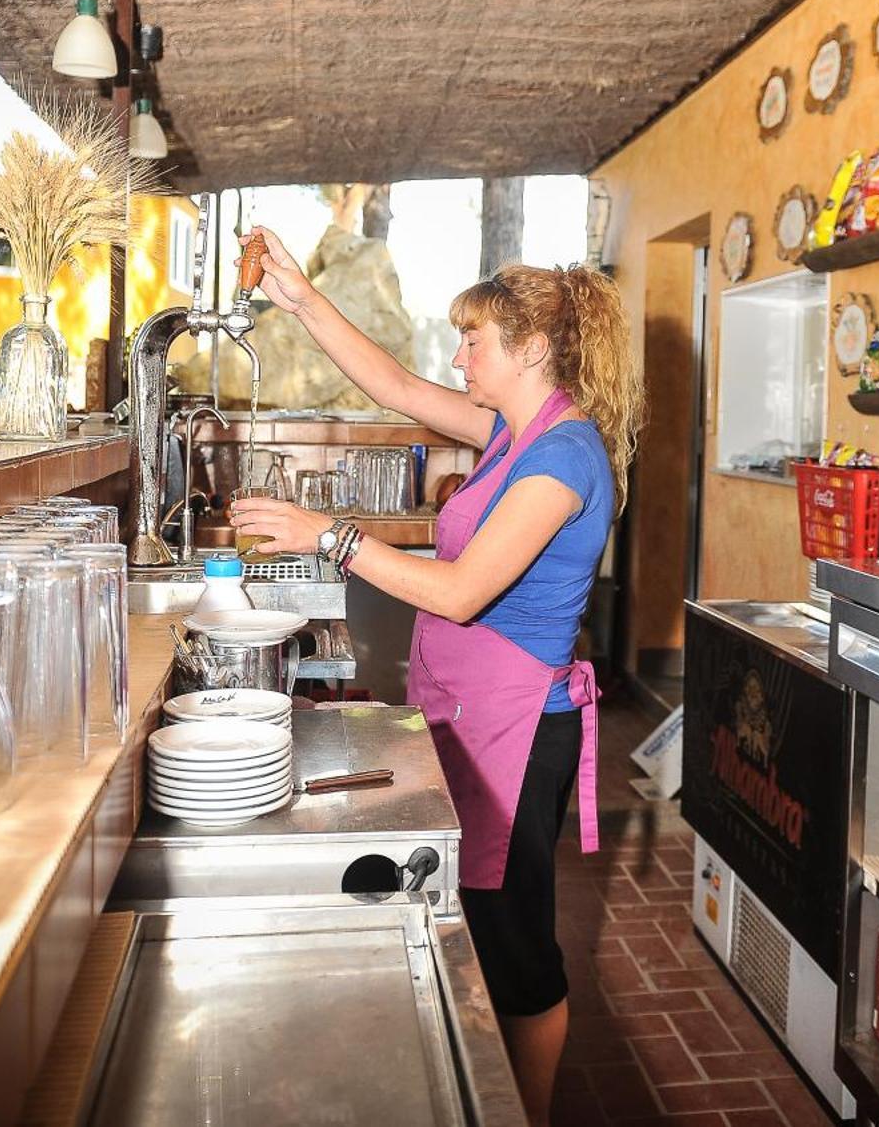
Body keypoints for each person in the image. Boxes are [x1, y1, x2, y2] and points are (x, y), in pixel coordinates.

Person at [230, 226, 644, 1123]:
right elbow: (392, 383)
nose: (457, 356)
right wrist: (299, 298)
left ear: (532, 349)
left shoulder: (564, 455)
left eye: (474, 340)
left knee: (517, 945)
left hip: (517, 732)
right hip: (466, 715)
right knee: (475, 924)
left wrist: (328, 535)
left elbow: (459, 593)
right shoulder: (511, 428)